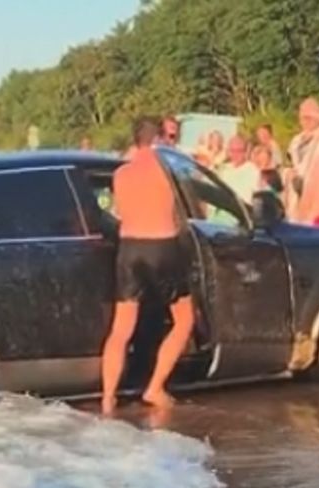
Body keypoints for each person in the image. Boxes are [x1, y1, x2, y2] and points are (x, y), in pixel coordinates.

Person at [101, 118, 195, 414]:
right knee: (184, 321)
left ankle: (107, 399)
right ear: (156, 140)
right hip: (162, 246)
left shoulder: (121, 174)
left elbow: (119, 211)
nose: (171, 142)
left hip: (129, 251)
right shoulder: (169, 171)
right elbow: (193, 210)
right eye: (168, 138)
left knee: (120, 330)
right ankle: (155, 388)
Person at [218, 135, 260, 204]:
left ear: (245, 152)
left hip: (242, 212)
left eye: (239, 150)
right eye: (232, 150)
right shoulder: (223, 169)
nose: (235, 154)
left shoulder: (254, 171)